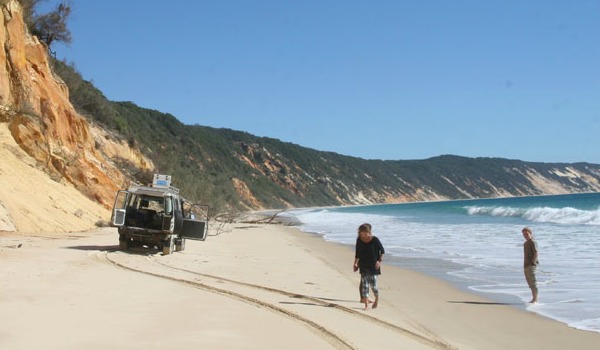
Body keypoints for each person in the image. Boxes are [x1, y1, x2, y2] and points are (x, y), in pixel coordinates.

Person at [353, 223, 385, 310]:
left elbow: (382, 251)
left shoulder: (375, 240)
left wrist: (379, 261)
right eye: (361, 233)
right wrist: (355, 263)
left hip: (374, 266)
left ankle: (377, 299)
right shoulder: (359, 240)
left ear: (369, 232)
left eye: (365, 233)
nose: (363, 235)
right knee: (365, 286)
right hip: (363, 265)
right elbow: (357, 253)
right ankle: (366, 305)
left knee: (373, 286)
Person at [522, 227, 539, 303]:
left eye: (527, 234)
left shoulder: (533, 242)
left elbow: (536, 253)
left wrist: (533, 262)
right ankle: (533, 298)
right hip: (526, 264)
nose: (525, 235)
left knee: (533, 282)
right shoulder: (525, 243)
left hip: (531, 265)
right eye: (524, 234)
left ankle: (535, 299)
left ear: (530, 233)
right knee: (529, 282)